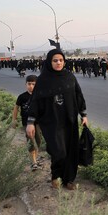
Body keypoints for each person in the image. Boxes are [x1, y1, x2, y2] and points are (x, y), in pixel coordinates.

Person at [26, 49, 89, 190]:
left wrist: (83, 115)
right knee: (58, 150)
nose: (58, 63)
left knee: (71, 150)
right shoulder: (43, 80)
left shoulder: (70, 76)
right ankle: (56, 176)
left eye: (61, 60)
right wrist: (30, 122)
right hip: (52, 122)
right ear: (49, 62)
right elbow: (35, 102)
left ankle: (69, 179)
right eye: (55, 60)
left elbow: (78, 95)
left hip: (70, 120)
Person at [12, 74, 43, 171]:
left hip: (38, 123)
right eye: (29, 84)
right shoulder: (22, 97)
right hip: (27, 123)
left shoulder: (40, 96)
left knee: (38, 141)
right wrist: (14, 119)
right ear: (25, 84)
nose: (31, 86)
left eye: (33, 84)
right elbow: (16, 108)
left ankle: (35, 159)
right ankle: (33, 162)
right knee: (31, 142)